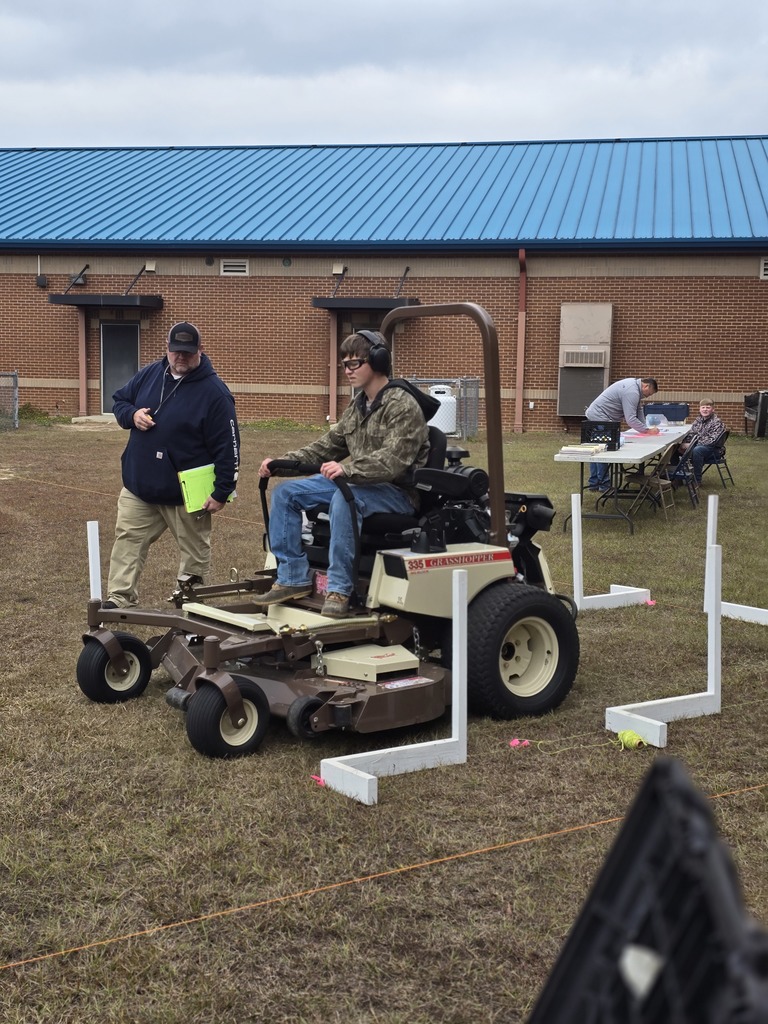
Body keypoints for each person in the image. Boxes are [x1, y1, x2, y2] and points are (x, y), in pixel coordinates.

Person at [257, 330, 431, 618]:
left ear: (378, 361)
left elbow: (393, 461)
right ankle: (292, 578)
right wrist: (281, 463)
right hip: (356, 484)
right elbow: (325, 447)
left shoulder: (403, 405)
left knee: (343, 499)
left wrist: (347, 469)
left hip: (397, 493)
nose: (347, 370)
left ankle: (339, 589)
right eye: (344, 364)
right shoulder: (357, 406)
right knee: (286, 494)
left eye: (354, 363)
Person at [103, 322, 240, 608]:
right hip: (139, 487)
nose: (181, 357)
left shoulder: (216, 394)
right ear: (166, 349)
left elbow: (228, 447)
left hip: (186, 495)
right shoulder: (151, 373)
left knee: (194, 555)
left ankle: (188, 607)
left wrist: (222, 490)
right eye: (175, 351)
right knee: (127, 541)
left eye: (188, 353)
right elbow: (119, 400)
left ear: (201, 351)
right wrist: (132, 415)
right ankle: (119, 599)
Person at [584, 377, 660, 491]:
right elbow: (630, 419)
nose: (647, 396)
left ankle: (594, 483)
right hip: (600, 416)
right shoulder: (632, 391)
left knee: (598, 448)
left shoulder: (634, 387)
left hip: (598, 414)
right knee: (603, 449)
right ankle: (604, 485)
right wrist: (647, 431)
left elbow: (638, 410)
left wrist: (646, 428)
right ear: (645, 386)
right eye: (648, 394)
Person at [675, 399, 725, 485]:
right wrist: (683, 444)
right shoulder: (698, 420)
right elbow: (691, 434)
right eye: (703, 407)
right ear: (700, 409)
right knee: (675, 448)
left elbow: (711, 441)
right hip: (699, 446)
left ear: (713, 409)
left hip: (714, 450)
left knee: (697, 450)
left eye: (708, 407)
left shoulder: (717, 422)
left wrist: (690, 445)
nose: (705, 409)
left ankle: (696, 480)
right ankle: (677, 477)